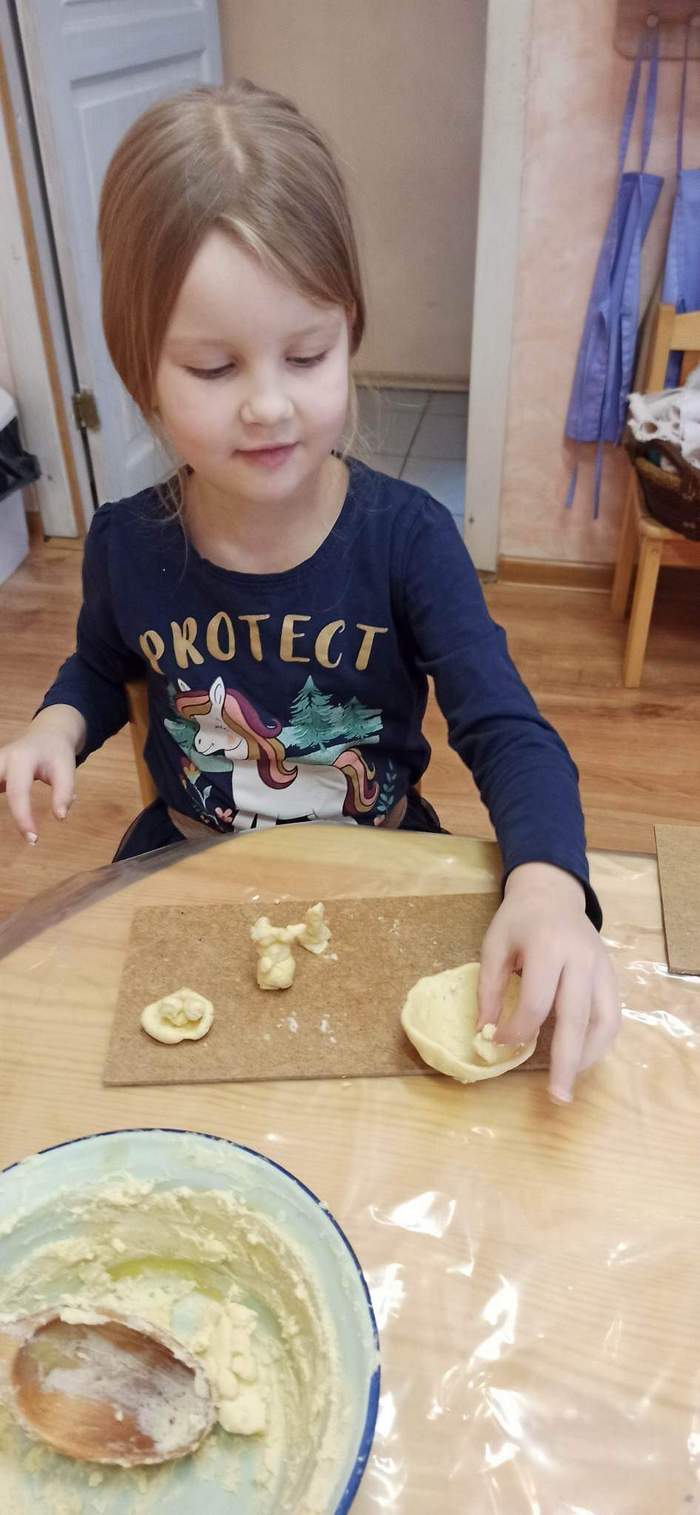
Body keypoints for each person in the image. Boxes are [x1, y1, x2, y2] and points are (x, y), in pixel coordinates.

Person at [0, 81, 619, 1101]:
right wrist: (56, 726)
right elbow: (106, 666)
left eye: (306, 354)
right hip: (186, 875)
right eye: (213, 367)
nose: (268, 404)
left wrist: (551, 888)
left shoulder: (409, 540)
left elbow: (510, 732)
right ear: (140, 372)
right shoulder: (126, 542)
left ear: (350, 332)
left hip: (376, 874)